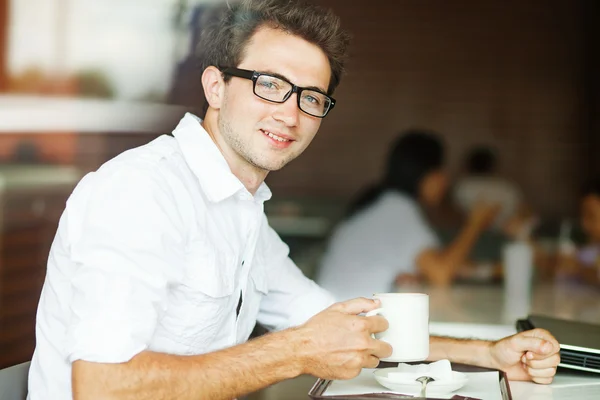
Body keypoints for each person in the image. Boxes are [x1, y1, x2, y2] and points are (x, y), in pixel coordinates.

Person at [28, 1, 560, 399]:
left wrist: (488, 355)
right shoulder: (142, 192)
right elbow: (99, 385)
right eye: (269, 85)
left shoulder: (242, 213)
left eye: (311, 98)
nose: (291, 113)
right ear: (216, 87)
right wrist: (294, 351)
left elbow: (337, 321)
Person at [317, 130, 500, 297]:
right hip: (350, 317)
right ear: (425, 173)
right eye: (441, 170)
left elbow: (439, 263)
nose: (445, 179)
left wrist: (491, 270)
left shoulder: (387, 203)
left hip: (347, 309)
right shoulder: (398, 211)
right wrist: (475, 224)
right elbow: (441, 274)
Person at [453, 145, 529, 234]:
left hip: (470, 236)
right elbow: (523, 214)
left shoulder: (463, 186)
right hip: (504, 235)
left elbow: (455, 216)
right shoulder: (508, 187)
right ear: (492, 165)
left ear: (469, 164)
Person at [556, 178, 600, 286]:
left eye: (591, 216)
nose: (584, 224)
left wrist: (579, 269)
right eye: (583, 215)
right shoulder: (590, 251)